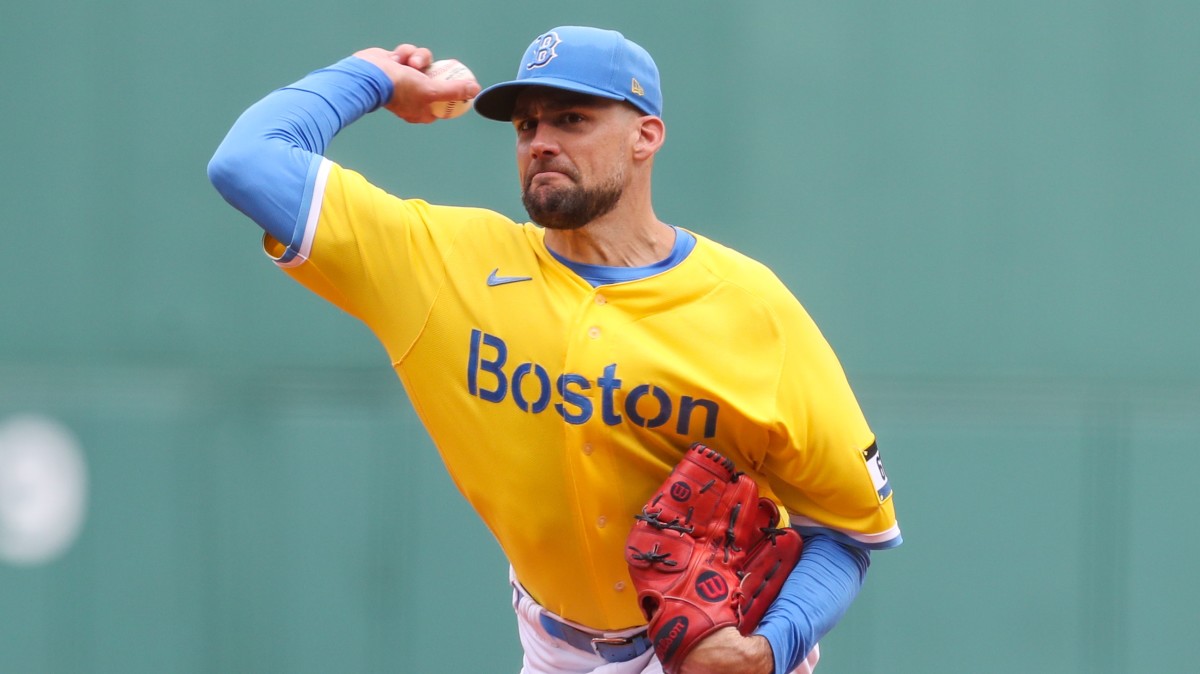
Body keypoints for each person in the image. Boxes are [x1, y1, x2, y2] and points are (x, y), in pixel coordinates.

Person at [208, 25, 901, 674]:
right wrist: (372, 76)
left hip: (717, 643)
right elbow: (247, 161)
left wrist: (768, 650)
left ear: (646, 136)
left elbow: (848, 531)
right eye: (526, 124)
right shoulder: (440, 267)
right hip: (553, 648)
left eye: (572, 119)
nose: (540, 141)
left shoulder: (753, 308)